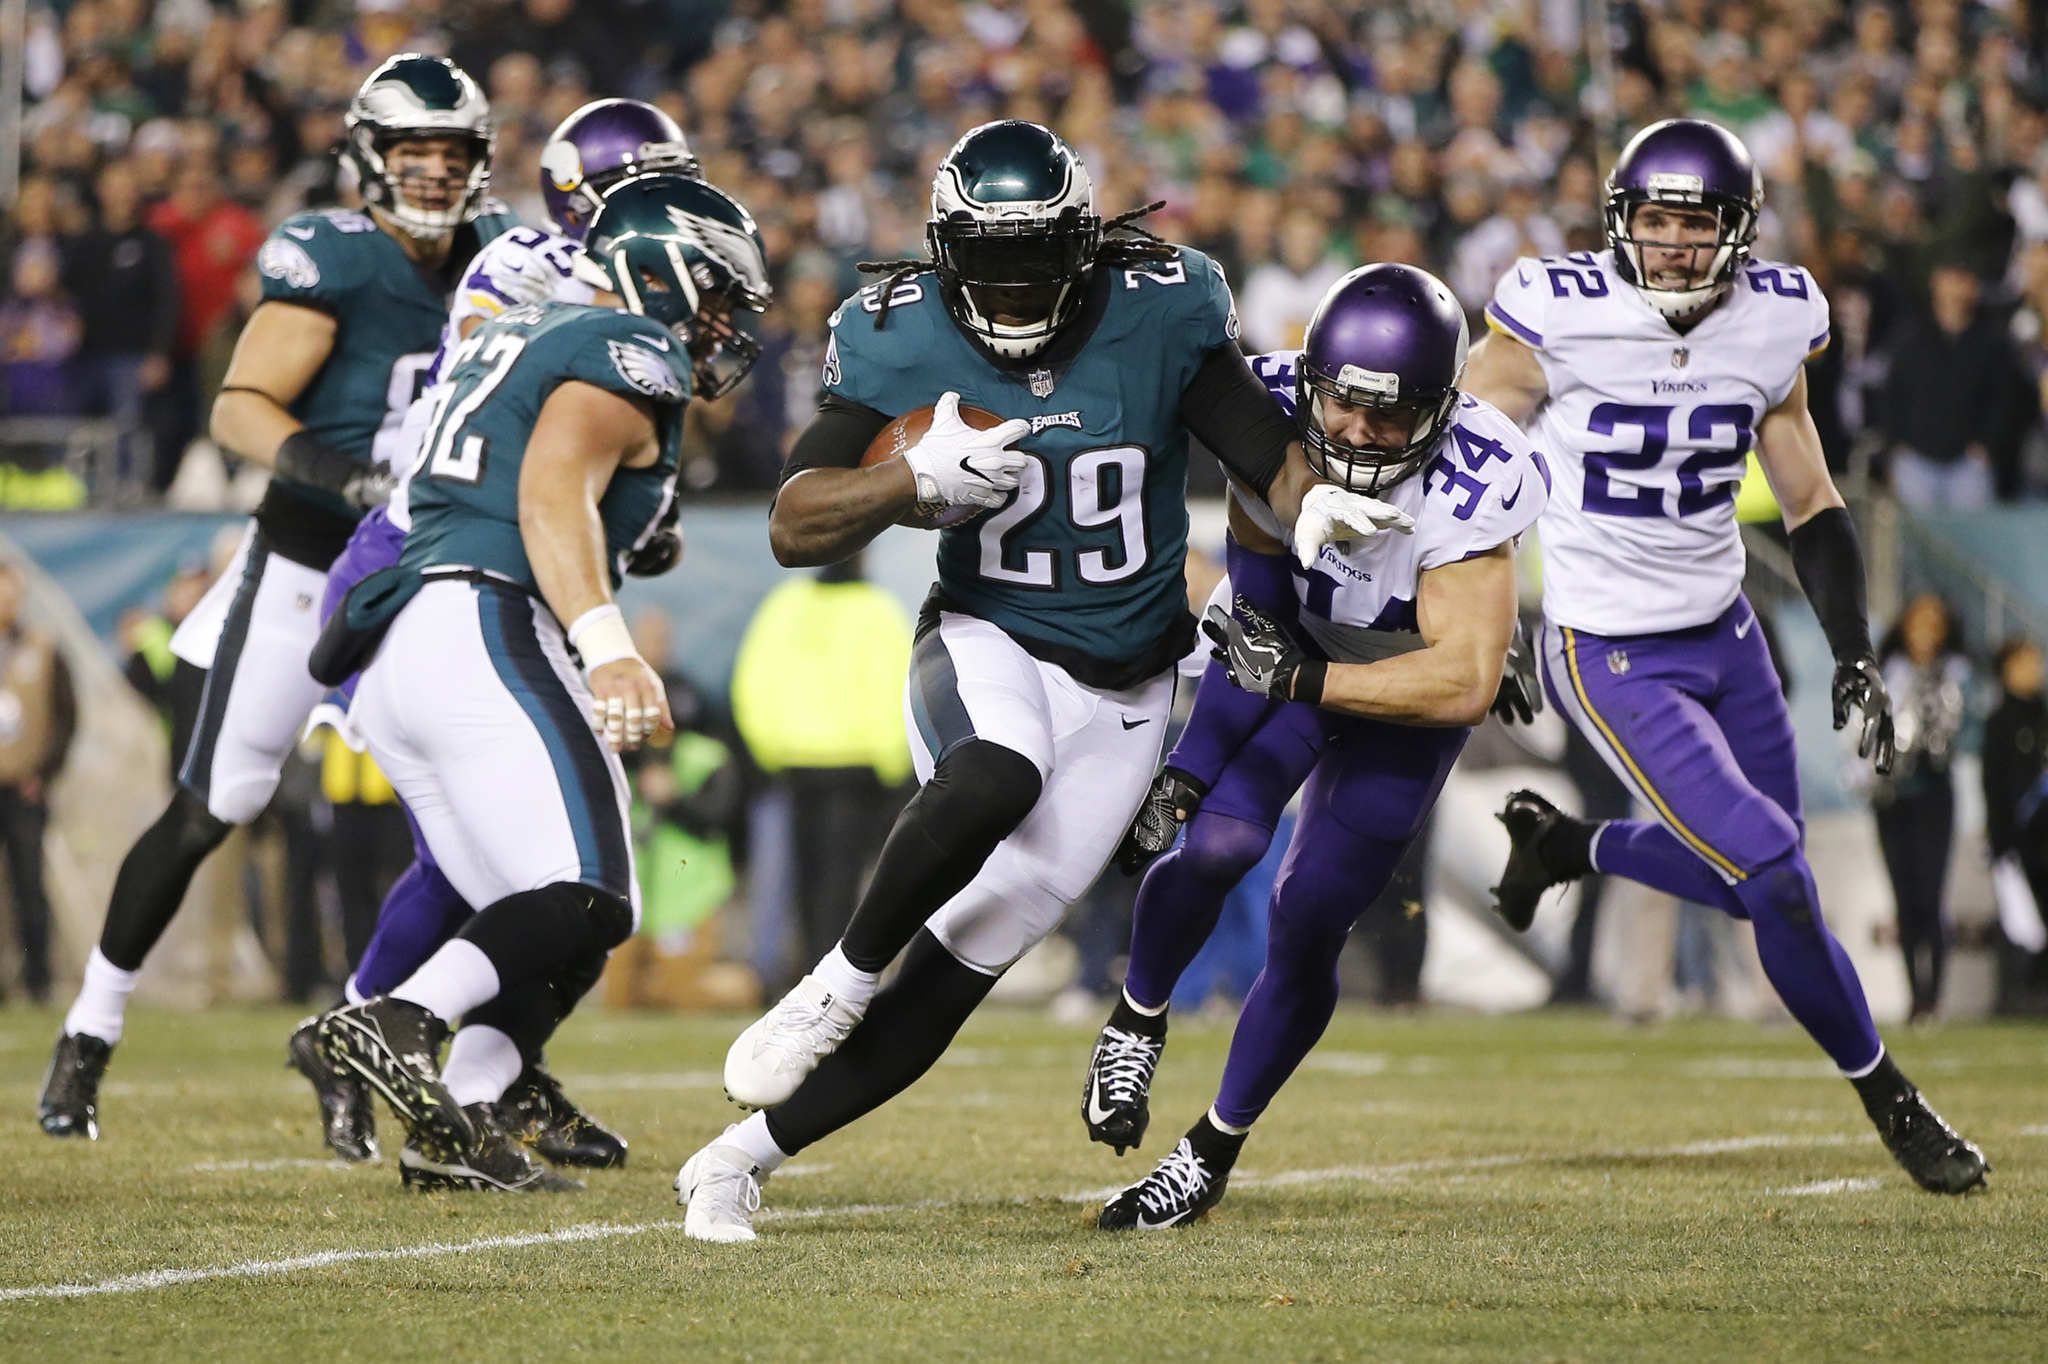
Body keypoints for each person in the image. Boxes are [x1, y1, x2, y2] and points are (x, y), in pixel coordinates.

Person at [678, 120, 1407, 1243]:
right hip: (990, 636)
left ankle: (734, 1161)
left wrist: (1307, 501)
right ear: (945, 252)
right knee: (997, 771)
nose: (1013, 293)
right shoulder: (897, 329)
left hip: (1130, 689)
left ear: (1082, 244)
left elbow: (1263, 450)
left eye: (1035, 264)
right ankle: (833, 982)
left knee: (959, 967)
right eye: (990, 264)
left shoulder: (1162, 305)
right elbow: (791, 521)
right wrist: (906, 482)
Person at [1464, 118, 1986, 1194]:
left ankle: (1571, 847)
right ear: (1619, 222)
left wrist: (1851, 646)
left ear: (1737, 233)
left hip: (1725, 629)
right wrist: (1484, 613)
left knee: (1764, 875)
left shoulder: (1773, 319)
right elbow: (1466, 458)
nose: (1671, 244)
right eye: (1653, 221)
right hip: (1608, 646)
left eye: (1694, 224)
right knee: (1774, 874)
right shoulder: (1555, 312)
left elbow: (1810, 496)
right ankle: (1894, 1101)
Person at [38, 54, 510, 1143]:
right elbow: (240, 407)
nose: (435, 174)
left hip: (427, 572)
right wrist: (349, 477)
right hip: (310, 565)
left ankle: (401, 1044)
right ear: (368, 158)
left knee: (480, 829)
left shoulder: (503, 256)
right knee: (217, 802)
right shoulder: (332, 257)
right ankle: (90, 1027)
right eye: (413, 152)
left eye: (452, 154)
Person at [308, 175, 770, 1194]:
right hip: (483, 616)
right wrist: (609, 645)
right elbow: (549, 494)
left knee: (553, 914)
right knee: (591, 890)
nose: (723, 323)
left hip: (409, 636)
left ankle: (460, 1119)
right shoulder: (626, 343)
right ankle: (397, 1019)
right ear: (662, 272)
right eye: (717, 293)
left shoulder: (519, 331)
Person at [1077, 264, 1547, 1226]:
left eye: (1391, 414)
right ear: (1312, 385)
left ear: (1440, 409)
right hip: (1295, 647)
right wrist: (1189, 770)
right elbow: (1255, 615)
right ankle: (1136, 1018)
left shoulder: (1479, 475)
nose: (1361, 432)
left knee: (1310, 915)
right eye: (1346, 405)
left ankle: (1211, 1149)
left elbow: (1460, 685)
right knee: (1215, 843)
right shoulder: (1271, 411)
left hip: (1405, 691)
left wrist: (1306, 680)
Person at [1872, 594, 1969, 1022]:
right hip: (1891, 799)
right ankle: (1915, 999)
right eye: (1918, 623)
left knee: (1931, 895)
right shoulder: (1885, 673)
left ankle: (1934, 998)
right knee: (1905, 898)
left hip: (1933, 795)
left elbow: (1958, 735)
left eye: (1934, 624)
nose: (1925, 633)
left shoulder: (1957, 676)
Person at [0, 562, 76, 1005]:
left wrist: (44, 773)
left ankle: (38, 979)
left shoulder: (42, 647)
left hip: (25, 789)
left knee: (30, 884)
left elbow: (66, 716)